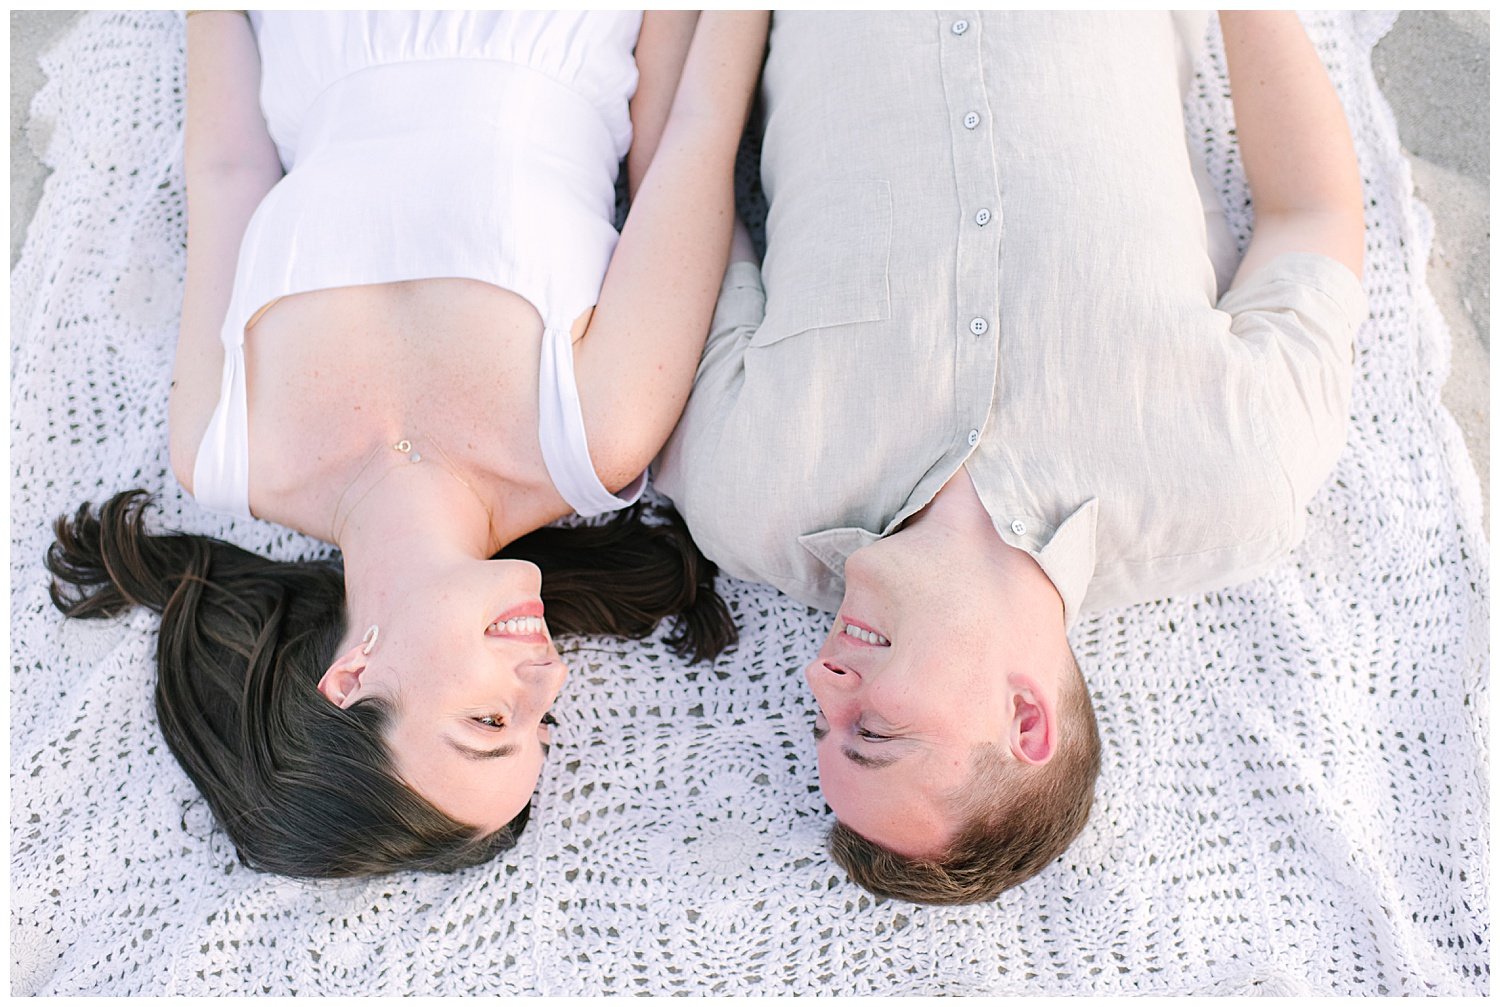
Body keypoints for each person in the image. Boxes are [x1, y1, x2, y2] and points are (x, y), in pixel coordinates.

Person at [655, 11, 1367, 904]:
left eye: (821, 722)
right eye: (871, 731)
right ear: (1026, 718)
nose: (821, 678)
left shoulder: (745, 496)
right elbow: (1315, 212)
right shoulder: (1239, 479)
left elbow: (674, 203)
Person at [46, 10, 768, 879]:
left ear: (351, 677)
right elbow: (688, 140)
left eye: (490, 723)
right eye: (544, 723)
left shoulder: (222, 445)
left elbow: (228, 170)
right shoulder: (594, 437)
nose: (548, 684)